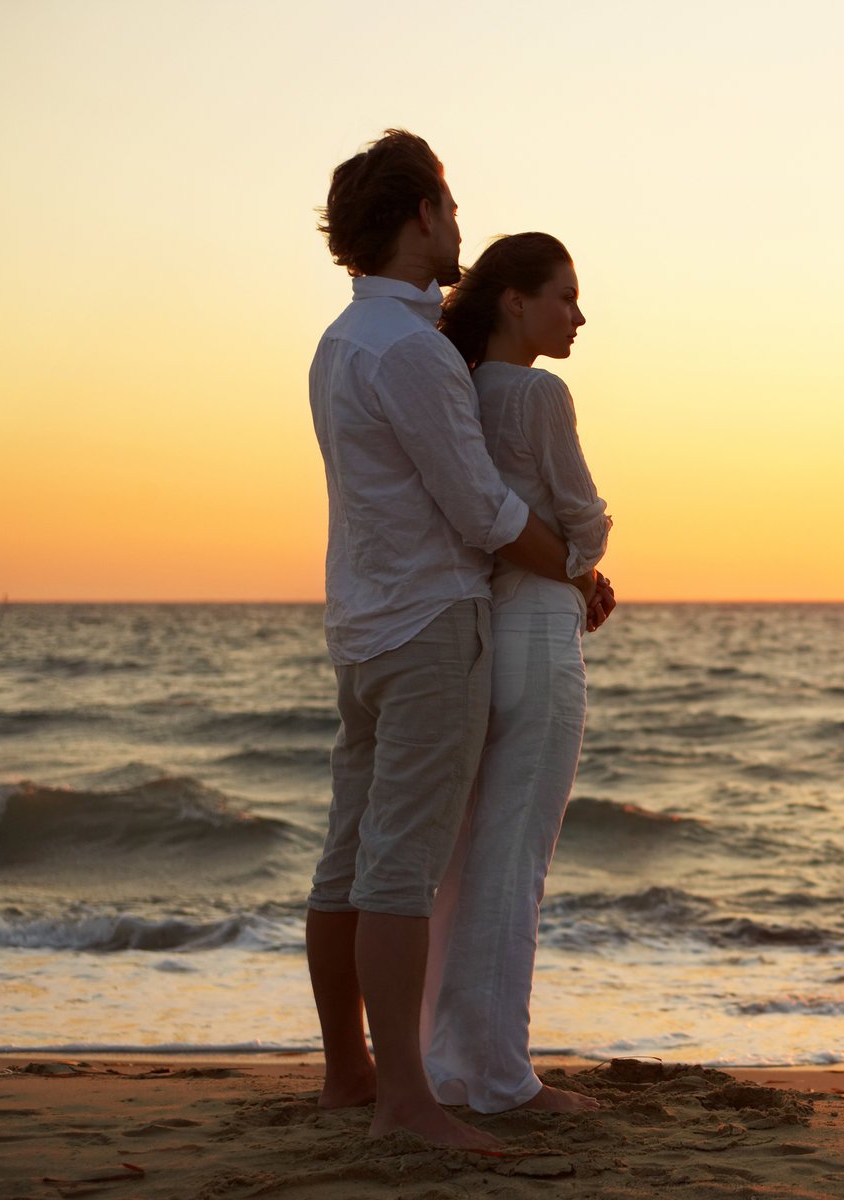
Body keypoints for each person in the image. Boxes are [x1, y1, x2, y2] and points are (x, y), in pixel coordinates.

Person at [305, 131, 599, 1150]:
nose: (461, 229)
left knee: (348, 861)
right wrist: (577, 567)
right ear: (422, 214)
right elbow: (479, 508)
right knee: (404, 868)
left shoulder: (344, 342)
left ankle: (350, 1074)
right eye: (451, 206)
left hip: (361, 624)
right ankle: (406, 1101)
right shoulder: (413, 352)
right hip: (432, 625)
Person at [423, 232, 614, 1114]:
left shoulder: (457, 390)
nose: (578, 315)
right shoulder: (540, 393)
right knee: (514, 863)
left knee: (468, 858)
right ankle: (500, 1076)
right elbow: (583, 520)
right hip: (539, 635)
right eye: (564, 296)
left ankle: (451, 1063)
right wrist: (585, 564)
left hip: (486, 631)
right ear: (514, 300)